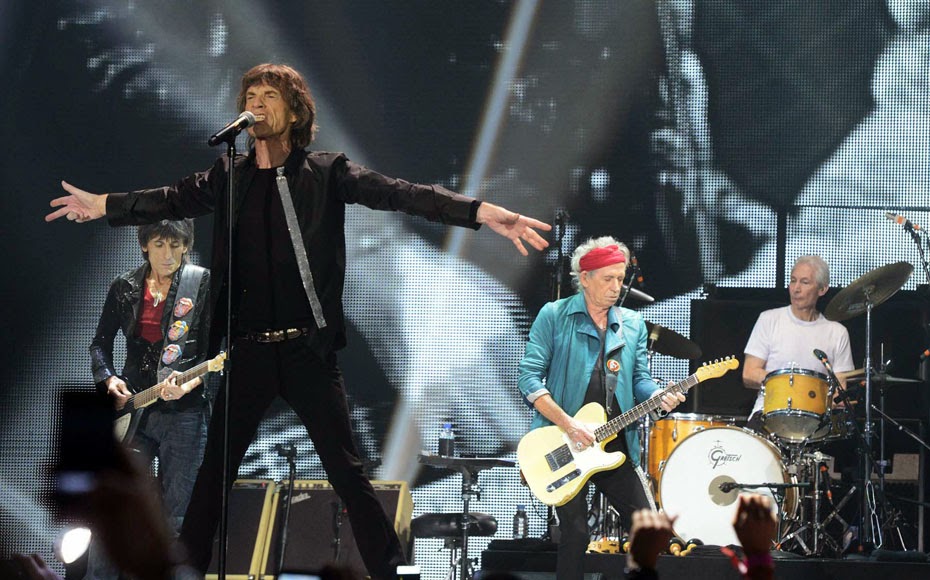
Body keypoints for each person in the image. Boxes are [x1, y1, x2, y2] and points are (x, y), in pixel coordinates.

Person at [47, 63, 551, 579]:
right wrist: (102, 204)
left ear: (294, 112)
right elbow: (169, 198)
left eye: (269, 95)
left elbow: (401, 193)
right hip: (248, 350)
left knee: (348, 475)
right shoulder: (228, 175)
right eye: (251, 94)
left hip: (305, 351)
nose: (257, 102)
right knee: (212, 479)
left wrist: (480, 212)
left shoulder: (327, 172)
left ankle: (390, 573)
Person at [517, 236, 685, 580]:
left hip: (614, 441)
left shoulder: (632, 324)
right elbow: (529, 379)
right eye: (608, 279)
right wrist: (568, 424)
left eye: (620, 279)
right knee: (576, 533)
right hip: (563, 441)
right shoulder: (554, 315)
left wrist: (659, 396)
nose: (616, 287)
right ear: (585, 277)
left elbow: (639, 379)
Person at [86, 219, 210, 579]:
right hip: (134, 408)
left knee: (176, 516)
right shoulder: (124, 286)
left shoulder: (202, 283)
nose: (168, 254)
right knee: (115, 508)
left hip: (184, 413)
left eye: (175, 245)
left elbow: (215, 350)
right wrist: (108, 378)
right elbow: (100, 344)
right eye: (159, 244)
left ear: (186, 246)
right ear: (145, 245)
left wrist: (189, 383)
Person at [742, 255, 853, 433]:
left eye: (805, 282)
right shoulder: (769, 319)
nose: (796, 288)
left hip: (814, 424)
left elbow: (840, 390)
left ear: (822, 289)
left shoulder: (837, 332)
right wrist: (792, 385)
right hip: (768, 414)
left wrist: (831, 401)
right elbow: (749, 374)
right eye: (793, 281)